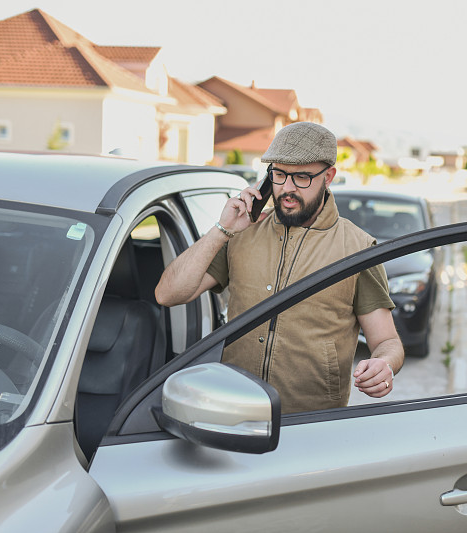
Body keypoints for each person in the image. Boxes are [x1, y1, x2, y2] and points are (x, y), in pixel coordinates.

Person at [155, 122, 404, 413]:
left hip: (310, 420)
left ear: (328, 177)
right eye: (279, 174)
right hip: (233, 408)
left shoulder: (358, 248)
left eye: (302, 177)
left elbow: (387, 341)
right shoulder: (241, 232)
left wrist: (384, 364)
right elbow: (167, 294)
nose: (287, 188)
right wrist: (222, 229)